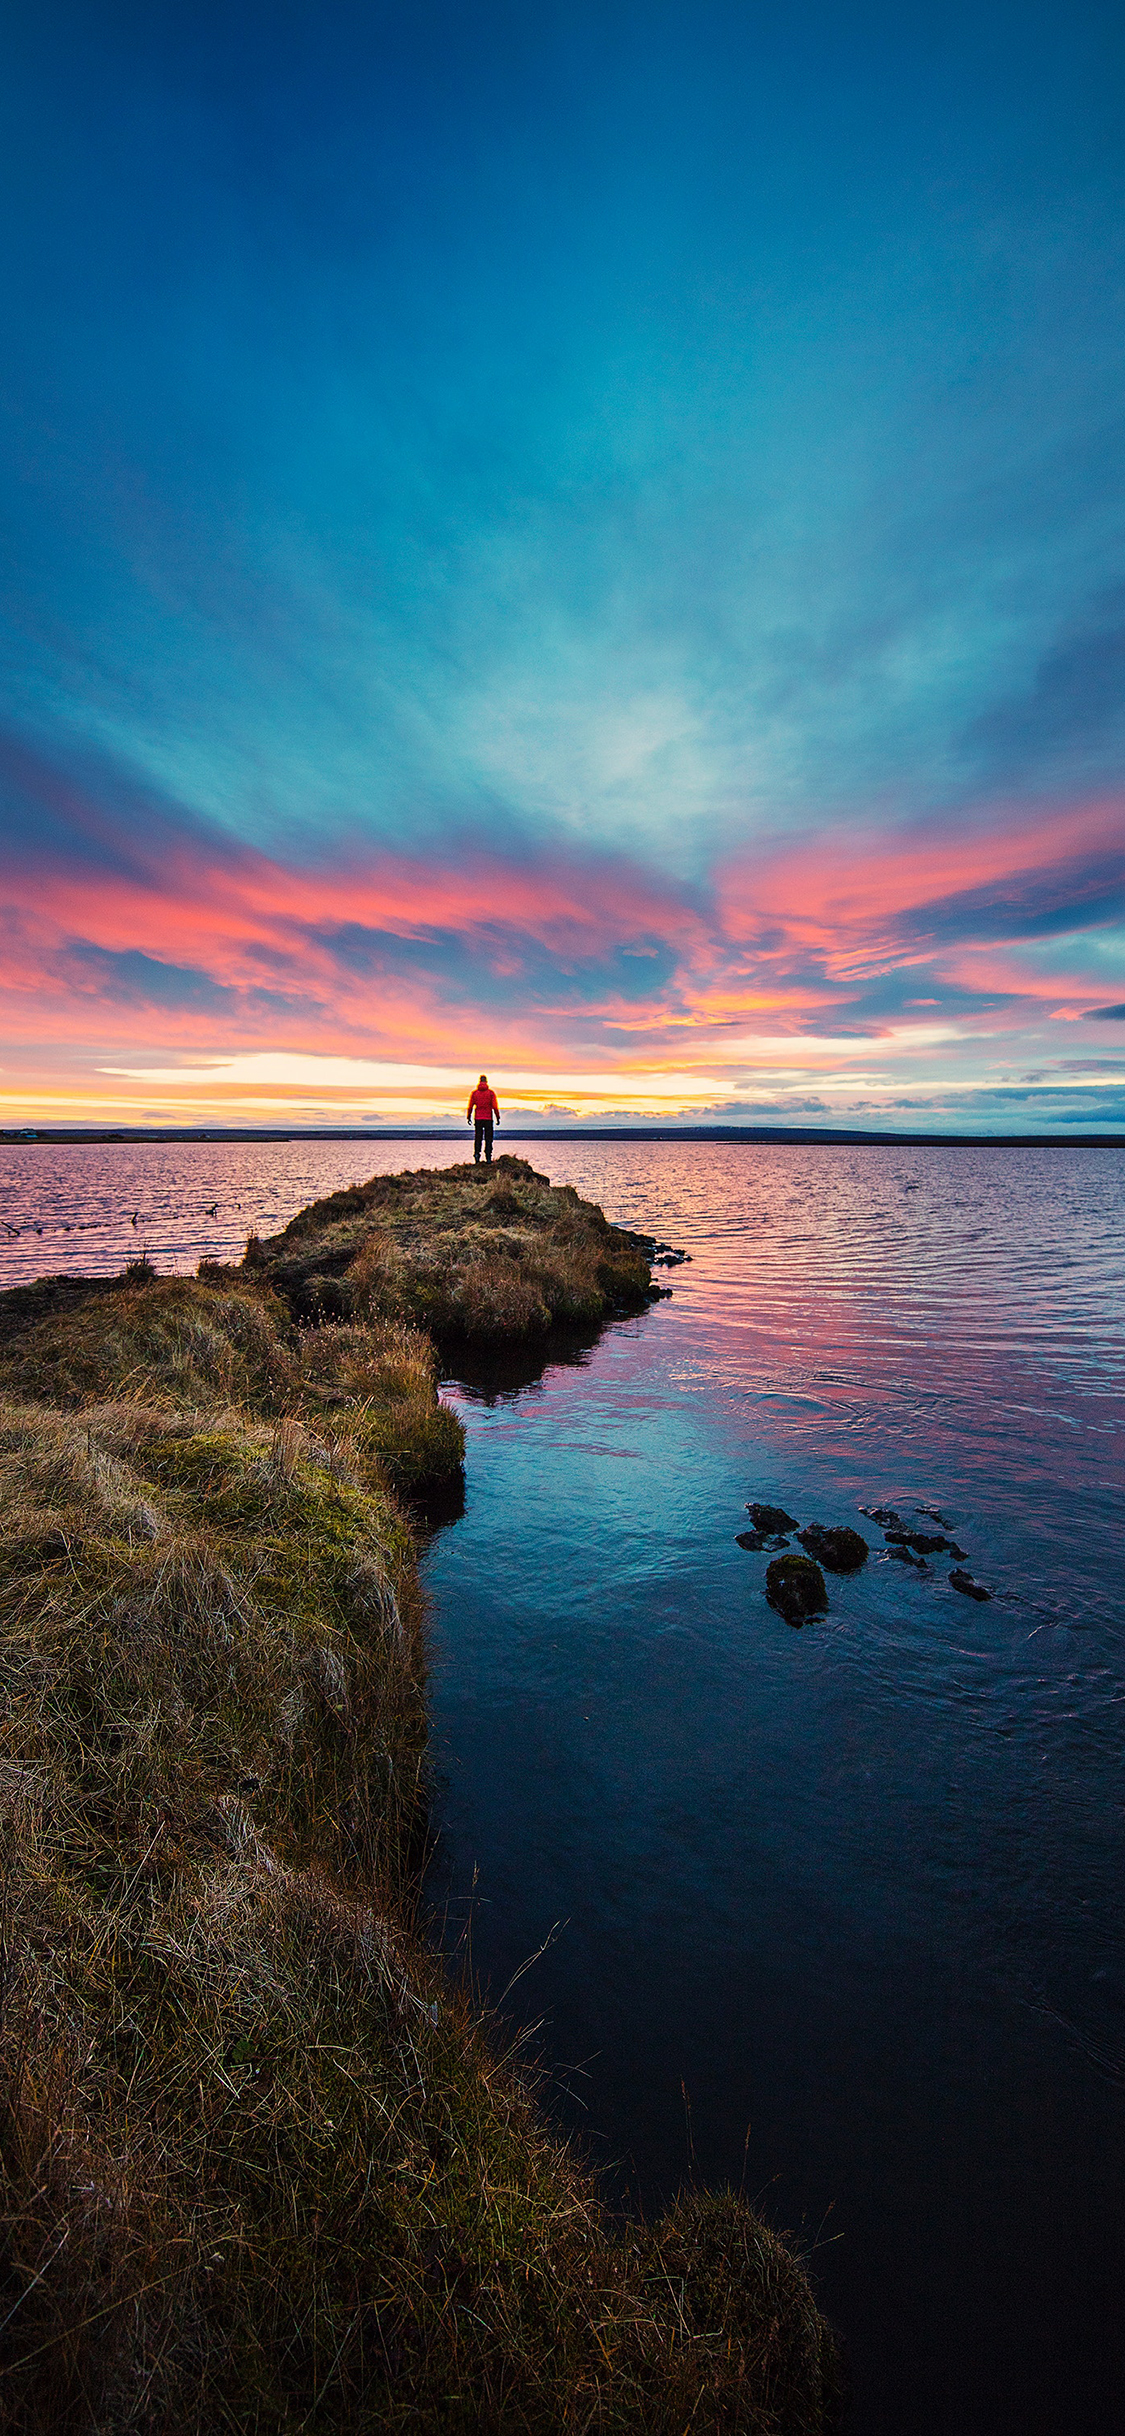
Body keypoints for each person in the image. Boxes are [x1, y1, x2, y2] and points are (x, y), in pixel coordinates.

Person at [466, 1073, 500, 1164]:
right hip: (488, 1118)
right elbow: (495, 1107)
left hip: (478, 1118)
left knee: (478, 1138)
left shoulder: (474, 1093)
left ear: (479, 1081)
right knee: (489, 1138)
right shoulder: (491, 1093)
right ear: (486, 1082)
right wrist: (498, 1117)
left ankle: (477, 1156)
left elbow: (470, 1106)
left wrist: (468, 1117)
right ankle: (488, 1157)